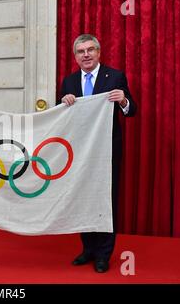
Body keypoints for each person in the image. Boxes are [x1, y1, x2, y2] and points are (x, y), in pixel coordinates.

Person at [59, 34, 136, 273]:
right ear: (75, 56)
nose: (86, 55)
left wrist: (123, 100)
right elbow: (60, 117)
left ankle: (103, 254)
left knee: (105, 201)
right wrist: (63, 102)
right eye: (81, 51)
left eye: (90, 50)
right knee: (83, 200)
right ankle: (88, 250)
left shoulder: (114, 76)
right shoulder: (69, 81)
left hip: (107, 152)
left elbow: (131, 111)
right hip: (80, 153)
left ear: (99, 52)